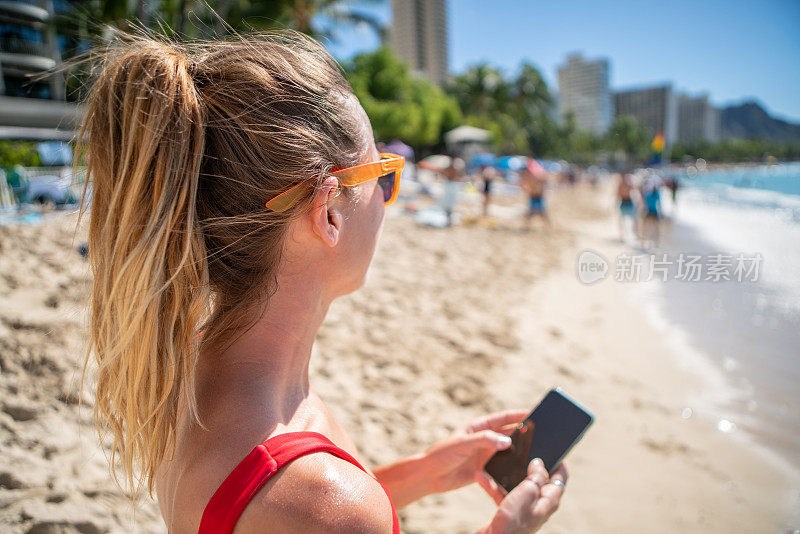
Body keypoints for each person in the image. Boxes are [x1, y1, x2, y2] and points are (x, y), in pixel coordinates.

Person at [75, 30, 567, 534]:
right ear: (328, 211)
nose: (385, 198)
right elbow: (319, 509)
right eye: (384, 174)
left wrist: (423, 471)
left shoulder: (186, 368)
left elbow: (278, 510)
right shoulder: (323, 495)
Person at [519, 165, 550, 230]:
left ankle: (547, 227)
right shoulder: (528, 178)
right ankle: (527, 227)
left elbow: (543, 182)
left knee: (541, 213)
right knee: (532, 213)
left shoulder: (535, 177)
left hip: (538, 196)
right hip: (534, 196)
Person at [640, 174, 663, 248]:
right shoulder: (651, 194)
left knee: (651, 228)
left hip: (651, 212)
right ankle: (652, 242)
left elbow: (658, 205)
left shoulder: (649, 193)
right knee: (651, 228)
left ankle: (652, 242)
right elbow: (659, 204)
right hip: (651, 212)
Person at [617, 172, 639, 243]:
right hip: (625, 203)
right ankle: (623, 236)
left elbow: (636, 191)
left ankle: (634, 234)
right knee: (623, 221)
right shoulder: (622, 185)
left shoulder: (627, 185)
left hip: (628, 203)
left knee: (632, 220)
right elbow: (617, 195)